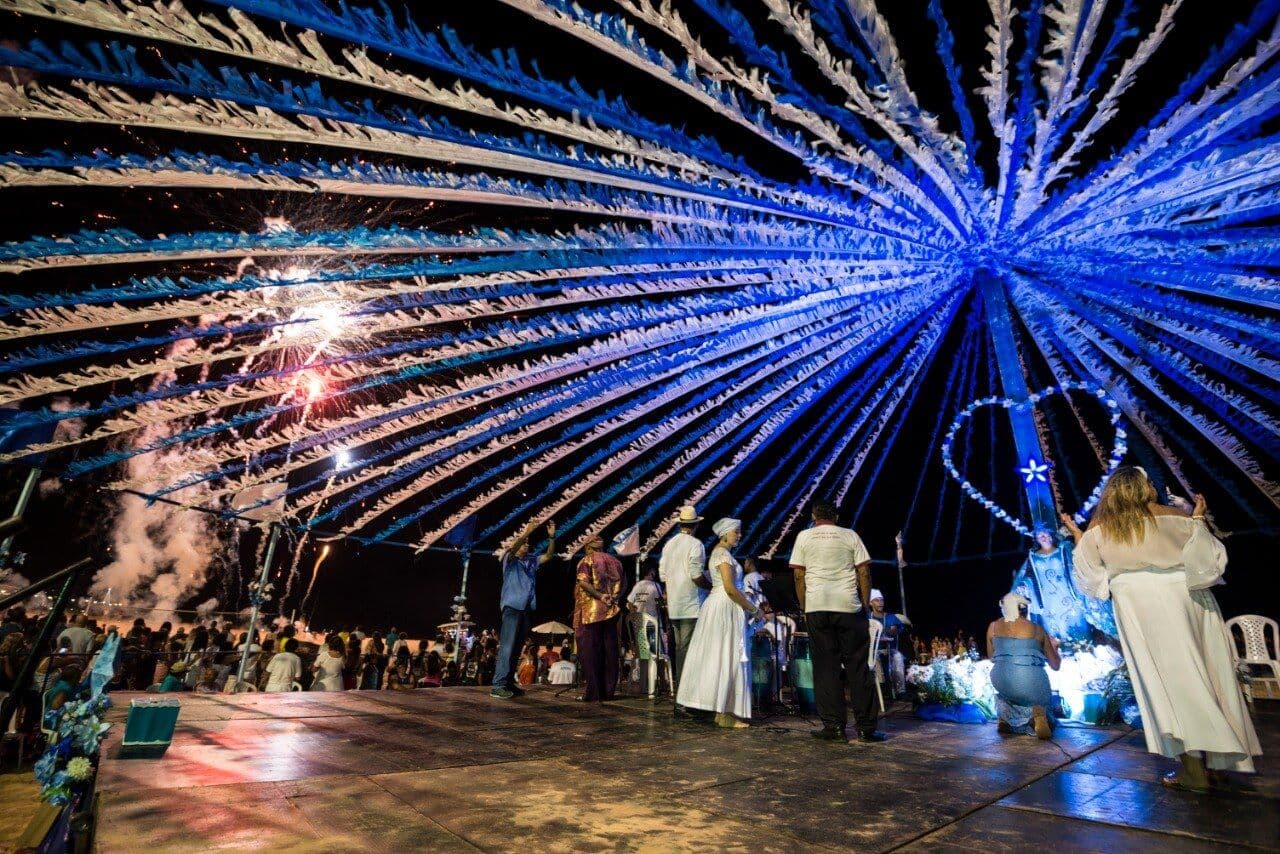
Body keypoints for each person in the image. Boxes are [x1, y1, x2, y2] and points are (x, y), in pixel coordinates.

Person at [1067, 466, 1261, 793]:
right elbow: (1207, 563)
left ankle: (1194, 771)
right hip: (1187, 598)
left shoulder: (1102, 527)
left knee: (1166, 683)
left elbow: (1089, 574)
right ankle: (1218, 763)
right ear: (1145, 487)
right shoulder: (1175, 516)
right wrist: (1197, 519)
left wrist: (1080, 537)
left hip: (1139, 606)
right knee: (1209, 673)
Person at [790, 500, 884, 743]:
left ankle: (834, 728)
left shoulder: (804, 536)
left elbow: (798, 575)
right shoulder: (850, 535)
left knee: (826, 668)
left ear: (813, 516)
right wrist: (865, 604)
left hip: (817, 607)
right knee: (858, 666)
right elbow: (864, 572)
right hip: (848, 607)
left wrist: (805, 606)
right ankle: (866, 729)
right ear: (837, 516)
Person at [676, 518, 761, 728]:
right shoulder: (722, 554)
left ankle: (723, 710)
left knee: (723, 656)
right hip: (724, 606)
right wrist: (754, 609)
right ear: (724, 533)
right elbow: (730, 588)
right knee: (728, 656)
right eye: (736, 532)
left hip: (722, 605)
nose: (739, 535)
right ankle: (725, 713)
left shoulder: (722, 553)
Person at [491, 520, 557, 700]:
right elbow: (514, 548)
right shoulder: (510, 559)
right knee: (507, 646)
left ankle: (508, 683)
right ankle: (498, 685)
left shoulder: (531, 560)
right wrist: (526, 532)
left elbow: (549, 555)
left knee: (517, 647)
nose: (527, 545)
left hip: (526, 608)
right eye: (524, 543)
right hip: (512, 607)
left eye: (528, 543)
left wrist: (552, 537)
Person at [658, 505, 710, 711]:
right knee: (687, 652)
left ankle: (682, 697)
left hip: (675, 607)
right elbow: (696, 576)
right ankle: (685, 699)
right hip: (691, 606)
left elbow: (663, 575)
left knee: (680, 650)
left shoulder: (669, 545)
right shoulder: (696, 545)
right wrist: (711, 586)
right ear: (695, 525)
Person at [987, 593, 1060, 738]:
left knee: (1007, 694)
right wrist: (1055, 647)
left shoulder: (993, 627)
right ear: (1025, 609)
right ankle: (1038, 713)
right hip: (1030, 683)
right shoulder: (1038, 630)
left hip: (1001, 680)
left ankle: (1005, 719)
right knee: (1035, 692)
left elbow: (991, 657)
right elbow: (1055, 665)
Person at [574, 533, 624, 702]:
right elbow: (623, 584)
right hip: (612, 611)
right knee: (610, 652)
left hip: (591, 613)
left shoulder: (587, 560)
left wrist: (601, 596)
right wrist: (613, 598)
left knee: (590, 652)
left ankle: (593, 693)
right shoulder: (616, 562)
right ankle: (608, 692)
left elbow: (583, 582)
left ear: (588, 547)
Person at [868, 590, 906, 695]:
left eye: (882, 600)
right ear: (871, 603)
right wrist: (886, 629)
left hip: (890, 649)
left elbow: (895, 631)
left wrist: (890, 630)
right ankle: (881, 690)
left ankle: (900, 691)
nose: (880, 603)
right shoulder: (867, 617)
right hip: (873, 650)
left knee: (898, 657)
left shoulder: (891, 617)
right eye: (877, 600)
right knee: (875, 658)